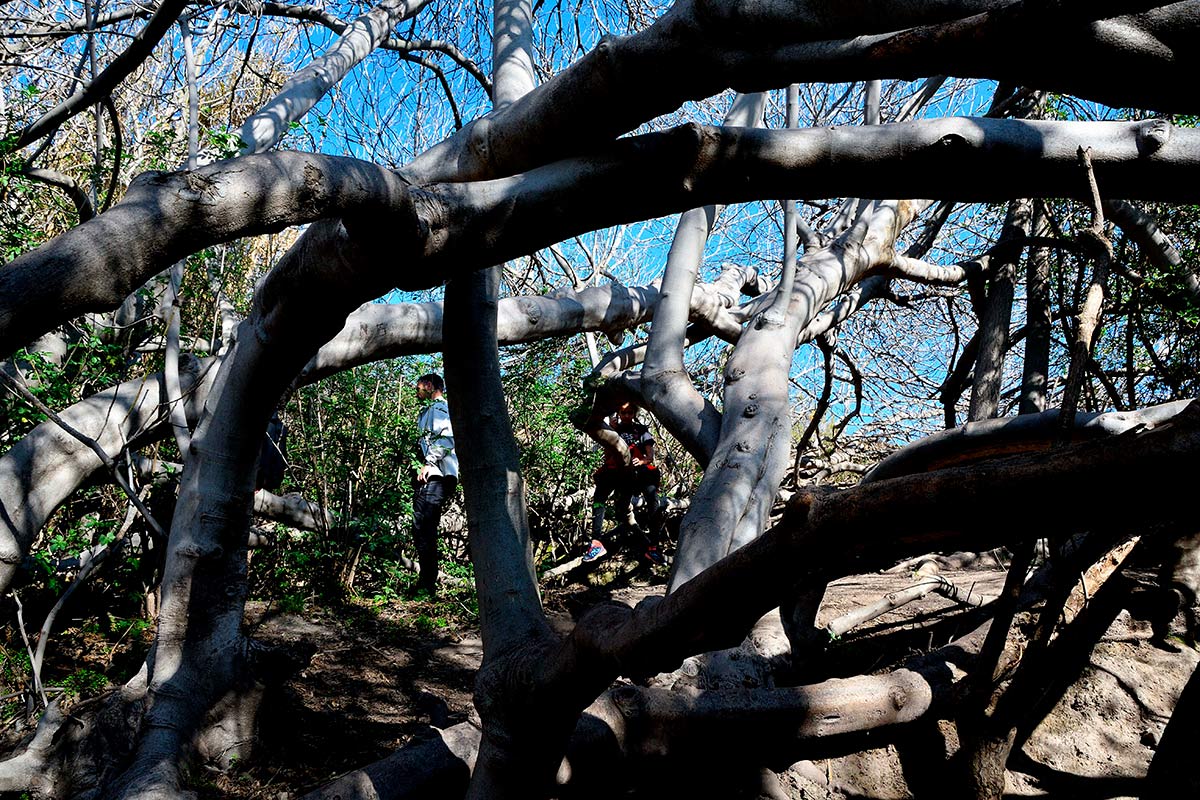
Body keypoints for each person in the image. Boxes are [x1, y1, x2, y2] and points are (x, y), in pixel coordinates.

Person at [583, 401, 665, 565]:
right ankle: (597, 542)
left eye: (629, 412)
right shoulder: (612, 430)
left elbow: (650, 456)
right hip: (617, 471)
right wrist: (612, 431)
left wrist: (641, 461)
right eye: (623, 413)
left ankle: (654, 547)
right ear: (618, 413)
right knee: (599, 498)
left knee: (652, 497)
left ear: (634, 413)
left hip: (639, 471)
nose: (626, 416)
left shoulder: (642, 430)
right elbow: (607, 456)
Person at [411, 373, 457, 596]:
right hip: (431, 474)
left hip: (436, 474)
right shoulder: (428, 410)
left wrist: (429, 462)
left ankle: (427, 585)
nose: (416, 391)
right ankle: (426, 582)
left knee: (424, 526)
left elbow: (447, 437)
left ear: (429, 385)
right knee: (421, 527)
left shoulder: (439, 408)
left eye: (418, 386)